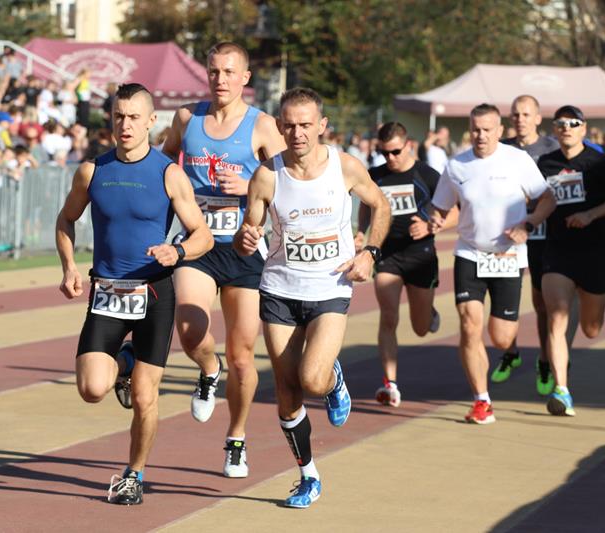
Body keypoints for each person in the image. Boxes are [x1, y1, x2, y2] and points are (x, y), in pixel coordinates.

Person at [55, 83, 213, 505]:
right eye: (118, 116)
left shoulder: (168, 173)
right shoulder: (92, 171)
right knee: (92, 389)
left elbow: (202, 235)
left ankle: (134, 475)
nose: (125, 125)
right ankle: (124, 360)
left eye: (133, 117)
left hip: (154, 294)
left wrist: (178, 251)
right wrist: (69, 266)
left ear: (151, 122)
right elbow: (65, 220)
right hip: (107, 292)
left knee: (144, 396)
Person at [234, 87, 390, 508]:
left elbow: (381, 206)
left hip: (329, 288)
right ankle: (308, 477)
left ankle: (333, 379)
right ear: (279, 127)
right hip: (279, 290)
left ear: (322, 125)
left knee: (313, 380)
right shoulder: (267, 175)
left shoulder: (345, 166)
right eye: (289, 125)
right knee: (287, 393)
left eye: (306, 125)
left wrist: (370, 253)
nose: (297, 133)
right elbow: (248, 233)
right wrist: (244, 239)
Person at [162, 41, 286, 478]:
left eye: (230, 72)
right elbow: (162, 163)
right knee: (190, 329)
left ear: (245, 78)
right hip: (198, 243)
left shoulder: (263, 126)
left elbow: (289, 181)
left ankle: (236, 439)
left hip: (244, 249)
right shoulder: (186, 119)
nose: (221, 79)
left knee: (243, 356)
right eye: (214, 71)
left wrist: (250, 187)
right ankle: (207, 368)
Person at [429, 103, 556, 424]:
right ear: (469, 130)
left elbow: (547, 198)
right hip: (470, 253)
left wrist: (528, 224)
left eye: (487, 129)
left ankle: (507, 351)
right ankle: (481, 400)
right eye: (476, 129)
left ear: (500, 131)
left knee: (500, 337)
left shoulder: (518, 160)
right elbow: (441, 208)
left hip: (508, 257)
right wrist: (434, 220)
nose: (481, 135)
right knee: (469, 325)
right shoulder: (456, 166)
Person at [357, 122, 457, 406]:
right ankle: (390, 383)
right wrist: (362, 232)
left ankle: (429, 313)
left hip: (420, 255)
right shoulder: (376, 176)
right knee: (388, 317)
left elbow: (455, 212)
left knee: (420, 327)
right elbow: (366, 206)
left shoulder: (427, 175)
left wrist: (430, 226)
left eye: (395, 152)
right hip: (387, 255)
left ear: (409, 145)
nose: (390, 158)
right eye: (384, 152)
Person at [493, 95, 566, 394]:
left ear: (537, 118)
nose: (520, 119)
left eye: (526, 114)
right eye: (515, 114)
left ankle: (545, 360)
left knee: (541, 303)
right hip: (506, 234)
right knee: (503, 299)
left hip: (541, 233)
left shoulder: (552, 148)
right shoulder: (501, 148)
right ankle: (510, 353)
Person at [539, 105, 605, 416]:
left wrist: (590, 215)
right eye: (561, 123)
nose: (566, 128)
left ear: (584, 128)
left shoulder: (599, 162)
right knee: (556, 317)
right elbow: (533, 197)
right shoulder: (546, 163)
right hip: (558, 250)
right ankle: (561, 390)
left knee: (591, 329)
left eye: (573, 123)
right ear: (554, 129)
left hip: (595, 251)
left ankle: (580, 301)